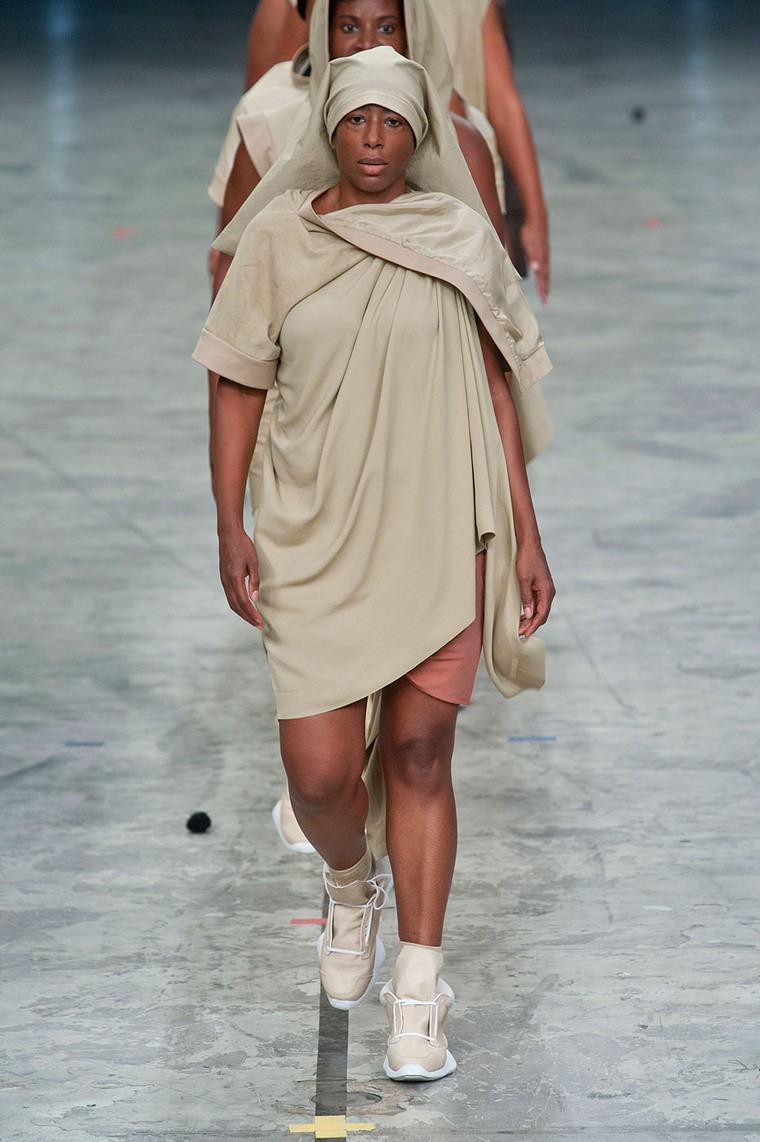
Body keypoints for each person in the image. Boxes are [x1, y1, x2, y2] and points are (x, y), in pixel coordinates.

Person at [193, 46, 555, 1082]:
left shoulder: (458, 237)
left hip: (439, 522)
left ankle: (419, 992)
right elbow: (236, 382)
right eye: (357, 119)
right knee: (318, 780)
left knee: (420, 754)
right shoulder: (277, 238)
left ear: (419, 136)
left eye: (394, 122)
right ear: (330, 128)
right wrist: (229, 522)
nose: (373, 140)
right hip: (312, 531)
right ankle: (352, 882)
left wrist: (526, 532)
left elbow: (495, 390)